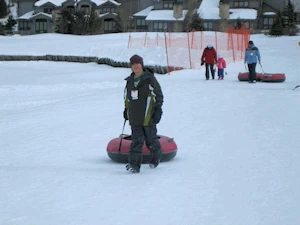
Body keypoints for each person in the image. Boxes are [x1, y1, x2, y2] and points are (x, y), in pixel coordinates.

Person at [123, 54, 164, 173]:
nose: (135, 66)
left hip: (147, 116)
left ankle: (156, 156)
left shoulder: (149, 78)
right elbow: (127, 97)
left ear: (141, 65)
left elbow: (158, 94)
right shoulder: (130, 81)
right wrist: (126, 110)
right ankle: (134, 165)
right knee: (136, 141)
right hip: (135, 116)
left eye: (137, 64)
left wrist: (158, 109)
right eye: (133, 65)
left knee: (151, 139)